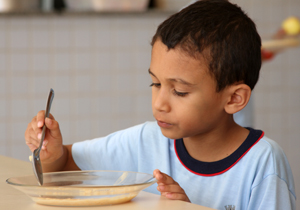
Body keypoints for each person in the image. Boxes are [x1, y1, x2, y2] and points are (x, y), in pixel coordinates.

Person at [25, 0, 296, 209]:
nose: (159, 104)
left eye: (179, 91)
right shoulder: (147, 140)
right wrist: (51, 154)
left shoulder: (263, 163)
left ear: (234, 99)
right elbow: (68, 166)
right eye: (155, 84)